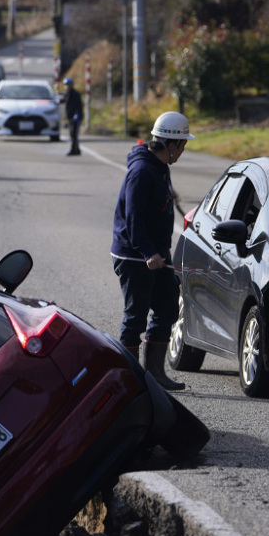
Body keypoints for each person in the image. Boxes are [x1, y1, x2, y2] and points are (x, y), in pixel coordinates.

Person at [110, 111, 194, 390]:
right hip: (135, 256)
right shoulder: (142, 172)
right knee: (136, 315)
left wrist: (160, 252)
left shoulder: (161, 167)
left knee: (168, 305)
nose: (183, 151)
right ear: (171, 145)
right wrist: (148, 253)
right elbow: (133, 218)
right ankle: (131, 378)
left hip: (156, 254)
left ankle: (155, 374)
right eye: (182, 145)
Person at [63, 77, 83, 156]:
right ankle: (77, 149)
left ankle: (73, 149)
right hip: (70, 116)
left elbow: (79, 106)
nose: (67, 86)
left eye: (68, 85)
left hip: (76, 117)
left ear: (71, 85)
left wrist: (77, 115)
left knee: (74, 134)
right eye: (66, 85)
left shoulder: (75, 94)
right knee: (72, 134)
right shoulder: (66, 94)